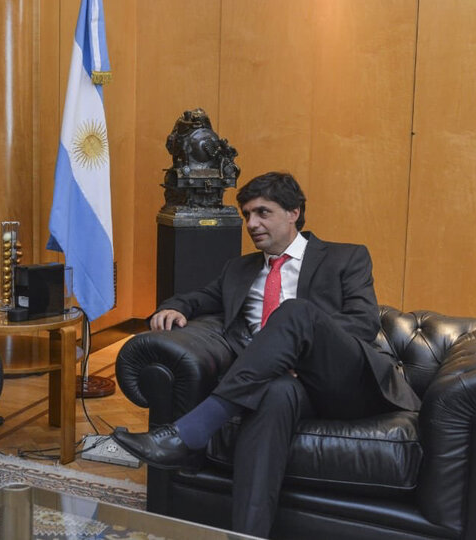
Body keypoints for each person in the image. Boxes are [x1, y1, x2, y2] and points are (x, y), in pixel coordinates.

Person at [112, 171, 421, 537]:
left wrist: (298, 354)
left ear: (294, 212)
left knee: (294, 312)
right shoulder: (239, 269)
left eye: (262, 212)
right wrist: (174, 307)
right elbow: (200, 298)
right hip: (281, 384)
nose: (252, 224)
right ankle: (247, 534)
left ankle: (189, 432)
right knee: (274, 393)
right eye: (246, 215)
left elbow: (361, 324)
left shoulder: (345, 257)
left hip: (344, 383)